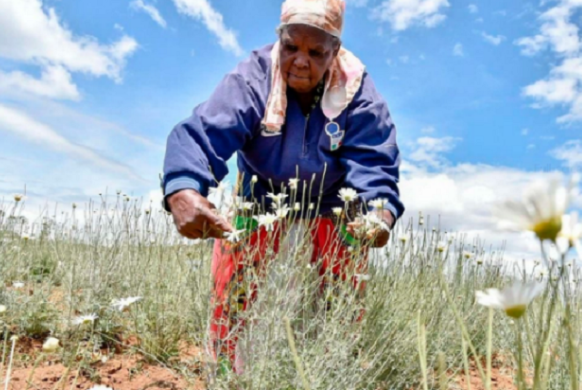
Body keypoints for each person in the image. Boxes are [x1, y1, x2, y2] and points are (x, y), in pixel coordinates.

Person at [160, 0, 403, 373]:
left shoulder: (358, 93)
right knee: (234, 290)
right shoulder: (253, 78)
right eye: (292, 47)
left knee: (341, 300)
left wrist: (379, 213)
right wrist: (183, 187)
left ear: (334, 51)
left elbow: (374, 161)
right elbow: (204, 132)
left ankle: (328, 371)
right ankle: (226, 375)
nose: (301, 61)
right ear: (280, 41)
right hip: (259, 199)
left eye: (315, 52)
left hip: (332, 205)